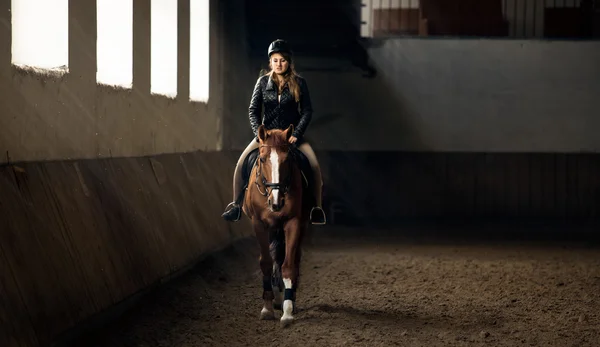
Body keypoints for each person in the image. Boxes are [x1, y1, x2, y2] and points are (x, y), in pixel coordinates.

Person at [221, 39, 326, 225]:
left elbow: (307, 111)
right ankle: (236, 205)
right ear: (270, 62)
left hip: (291, 137)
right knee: (240, 164)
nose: (279, 64)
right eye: (275, 60)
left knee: (314, 165)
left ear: (289, 62)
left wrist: (297, 133)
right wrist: (260, 134)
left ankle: (316, 208)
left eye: (283, 60)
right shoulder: (262, 83)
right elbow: (253, 110)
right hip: (267, 137)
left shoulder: (300, 83)